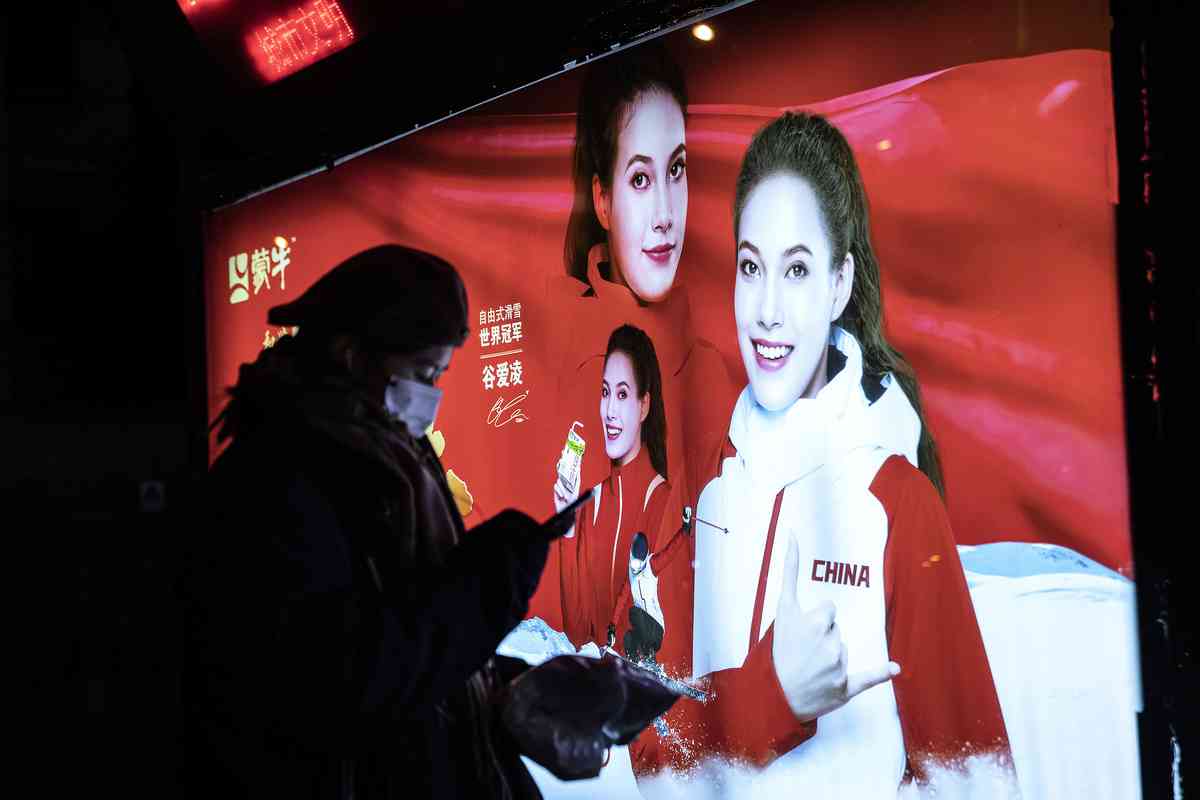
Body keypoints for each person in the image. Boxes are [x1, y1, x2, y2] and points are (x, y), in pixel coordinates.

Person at [182, 245, 669, 800]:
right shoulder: (274, 485)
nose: (430, 396)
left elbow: (416, 636)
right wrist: (488, 581)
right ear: (350, 356)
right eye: (421, 373)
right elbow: (345, 679)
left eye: (439, 374)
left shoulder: (387, 447)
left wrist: (507, 685)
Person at [630, 113, 1015, 794]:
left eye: (798, 270)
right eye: (752, 267)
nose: (767, 310)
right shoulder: (701, 492)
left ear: (840, 283)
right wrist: (773, 693)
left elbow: (977, 783)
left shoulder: (896, 505)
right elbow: (648, 757)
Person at [553, 324, 672, 651]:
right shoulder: (591, 503)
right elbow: (577, 634)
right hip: (593, 679)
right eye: (605, 393)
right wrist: (567, 525)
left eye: (622, 394)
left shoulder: (663, 501)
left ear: (644, 405)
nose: (610, 411)